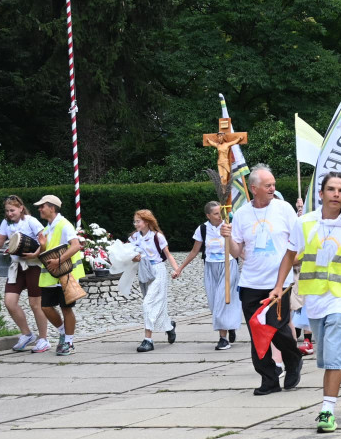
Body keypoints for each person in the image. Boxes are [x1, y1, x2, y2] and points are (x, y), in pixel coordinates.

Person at [270, 172, 341, 433]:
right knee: (327, 356)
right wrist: (278, 286)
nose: (335, 194)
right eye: (331, 189)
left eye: (340, 190)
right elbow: (289, 256)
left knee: (333, 354)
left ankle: (327, 410)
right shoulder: (304, 223)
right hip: (315, 296)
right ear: (321, 194)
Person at [221, 164, 303, 395]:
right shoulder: (242, 214)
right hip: (250, 283)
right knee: (257, 332)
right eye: (268, 186)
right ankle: (268, 379)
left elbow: (297, 240)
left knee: (276, 329)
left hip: (279, 282)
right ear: (253, 188)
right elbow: (237, 252)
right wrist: (227, 238)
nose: (272, 189)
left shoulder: (283, 209)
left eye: (273, 185)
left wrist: (296, 262)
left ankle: (293, 358)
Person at [175, 201, 242, 350]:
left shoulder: (229, 226)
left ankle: (223, 339)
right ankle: (228, 326)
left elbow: (239, 247)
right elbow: (194, 251)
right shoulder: (203, 229)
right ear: (208, 215)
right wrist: (180, 268)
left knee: (222, 299)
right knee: (214, 302)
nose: (219, 216)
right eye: (216, 214)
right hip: (210, 267)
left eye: (220, 213)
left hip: (228, 265)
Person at [0, 196, 48, 352]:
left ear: (21, 208)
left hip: (33, 266)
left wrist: (35, 254)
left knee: (35, 304)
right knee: (9, 302)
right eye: (7, 211)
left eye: (12, 210)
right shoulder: (6, 223)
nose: (9, 213)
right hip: (16, 267)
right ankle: (27, 334)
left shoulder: (31, 221)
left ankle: (44, 339)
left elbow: (45, 240)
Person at [27, 196, 83, 356]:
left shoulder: (64, 225)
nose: (39, 209)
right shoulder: (47, 229)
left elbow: (76, 245)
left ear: (52, 208)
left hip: (66, 274)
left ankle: (69, 342)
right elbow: (43, 251)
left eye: (42, 206)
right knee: (45, 307)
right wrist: (34, 252)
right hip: (51, 276)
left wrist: (59, 260)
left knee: (66, 308)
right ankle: (64, 333)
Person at [129, 210, 180, 352]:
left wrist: (177, 269)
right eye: (135, 221)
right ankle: (169, 326)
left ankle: (148, 340)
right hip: (144, 272)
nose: (135, 224)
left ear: (146, 221)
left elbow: (168, 255)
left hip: (158, 271)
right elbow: (130, 255)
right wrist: (134, 258)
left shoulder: (157, 237)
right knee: (154, 305)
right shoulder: (134, 237)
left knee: (148, 303)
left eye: (138, 221)